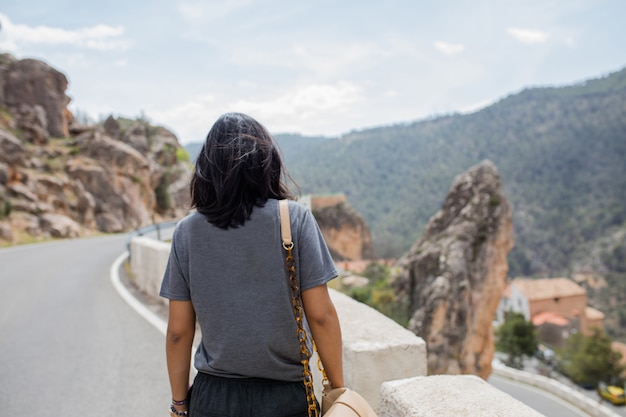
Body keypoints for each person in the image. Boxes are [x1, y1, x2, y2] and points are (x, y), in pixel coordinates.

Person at [160, 112, 344, 417]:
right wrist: (337, 391)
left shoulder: (187, 232)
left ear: (207, 168)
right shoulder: (294, 220)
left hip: (212, 399)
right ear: (266, 163)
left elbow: (179, 332)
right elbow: (321, 316)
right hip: (284, 398)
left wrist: (180, 406)